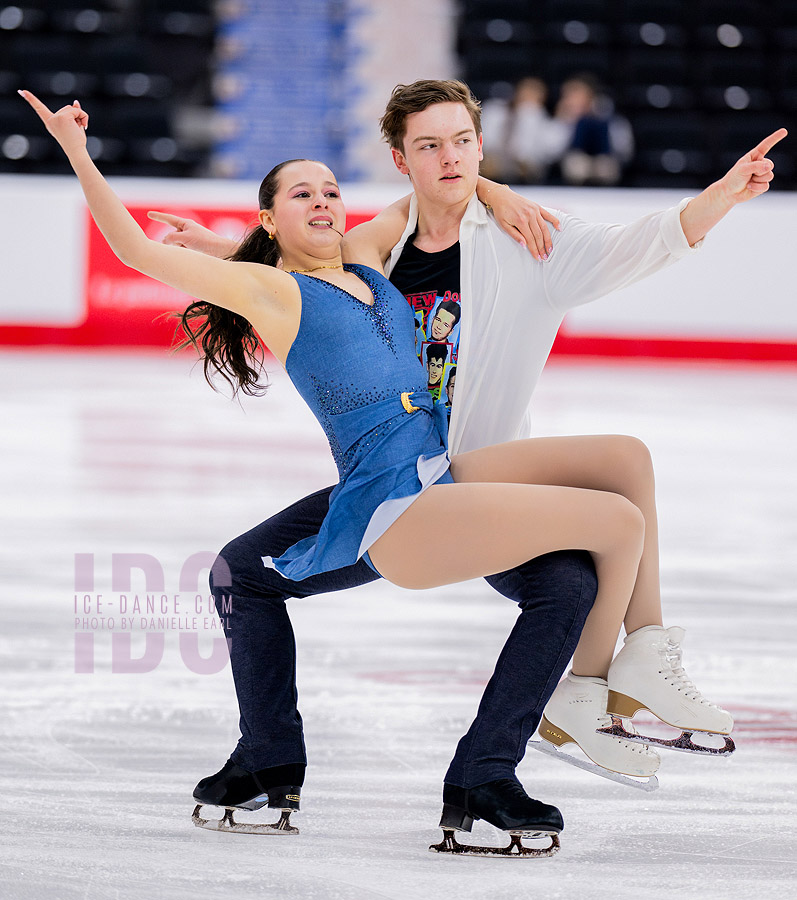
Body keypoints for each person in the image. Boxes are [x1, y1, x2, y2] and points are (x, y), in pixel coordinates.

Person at [87, 79, 783, 841]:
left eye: (461, 143)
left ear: (479, 146)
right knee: (244, 571)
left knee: (589, 539)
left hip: (477, 472)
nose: (447, 158)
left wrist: (707, 197)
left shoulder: (456, 251)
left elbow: (624, 243)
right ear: (400, 159)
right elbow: (283, 279)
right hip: (394, 488)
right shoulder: (358, 258)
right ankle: (277, 758)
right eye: (428, 146)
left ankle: (506, 756)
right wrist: (110, 175)